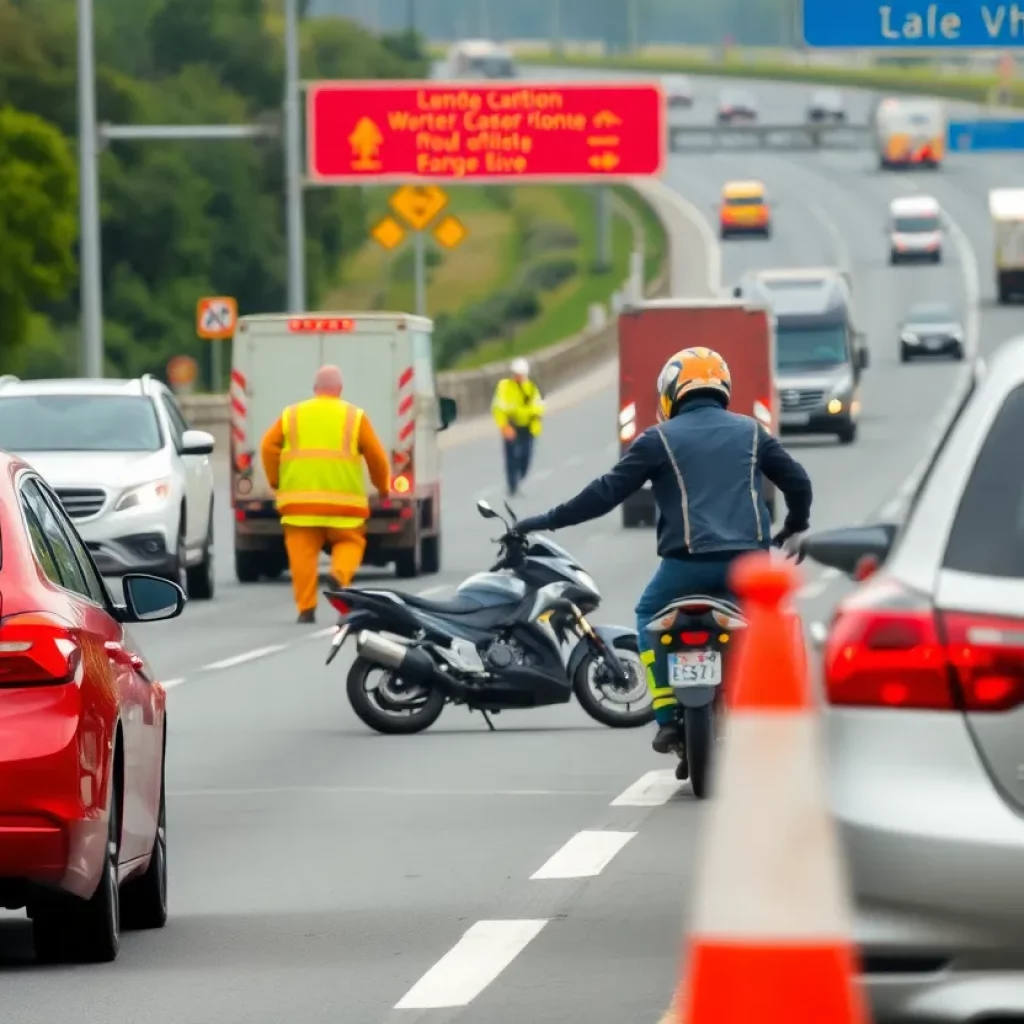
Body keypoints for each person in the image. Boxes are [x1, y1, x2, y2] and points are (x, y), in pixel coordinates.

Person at [513, 347, 812, 753]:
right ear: (722, 386)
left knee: (647, 615)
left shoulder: (658, 440)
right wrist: (795, 526)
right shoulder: (751, 433)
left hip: (683, 568)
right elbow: (798, 482)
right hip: (747, 566)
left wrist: (546, 519)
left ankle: (667, 713)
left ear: (672, 392)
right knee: (766, 626)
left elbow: (604, 494)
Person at [260, 365, 391, 624]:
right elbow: (376, 457)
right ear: (339, 389)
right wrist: (382, 487)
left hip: (299, 506)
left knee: (302, 556)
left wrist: (276, 481)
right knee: (350, 543)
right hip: (345, 507)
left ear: (315, 389)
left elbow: (267, 446)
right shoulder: (354, 416)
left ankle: (306, 608)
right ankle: (339, 577)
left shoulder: (292, 414)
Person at [491, 357, 545, 497]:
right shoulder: (504, 387)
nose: (517, 377)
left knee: (526, 457)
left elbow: (538, 407)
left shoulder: (531, 388)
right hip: (511, 426)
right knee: (511, 458)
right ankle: (512, 485)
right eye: (515, 374)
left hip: (528, 427)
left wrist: (535, 419)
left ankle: (520, 476)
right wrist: (504, 426)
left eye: (520, 374)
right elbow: (498, 408)